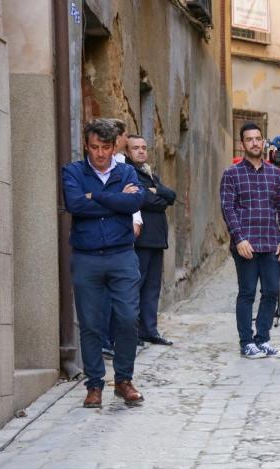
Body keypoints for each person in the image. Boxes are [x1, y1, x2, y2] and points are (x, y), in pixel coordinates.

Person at [62, 118, 145, 408]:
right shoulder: (72, 171)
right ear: (87, 145)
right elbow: (75, 205)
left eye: (105, 148)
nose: (99, 153)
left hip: (122, 255)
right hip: (86, 257)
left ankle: (123, 380)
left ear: (114, 147)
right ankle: (94, 384)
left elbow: (134, 204)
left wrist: (95, 197)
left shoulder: (126, 172)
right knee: (90, 323)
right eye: (94, 147)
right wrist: (114, 199)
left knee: (127, 317)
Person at [219, 122, 280, 360]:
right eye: (249, 139)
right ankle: (246, 342)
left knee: (271, 291)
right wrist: (238, 238)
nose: (254, 143)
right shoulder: (232, 174)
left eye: (258, 139)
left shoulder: (275, 174)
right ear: (243, 144)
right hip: (246, 245)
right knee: (247, 292)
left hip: (271, 243)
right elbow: (228, 209)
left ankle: (263, 339)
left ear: (263, 142)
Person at [127, 134, 176, 346]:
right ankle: (134, 332)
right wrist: (160, 197)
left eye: (144, 147)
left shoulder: (149, 173)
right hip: (141, 239)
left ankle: (149, 330)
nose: (141, 151)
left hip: (156, 238)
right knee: (136, 286)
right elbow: (146, 199)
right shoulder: (129, 173)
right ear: (127, 152)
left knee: (152, 287)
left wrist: (160, 192)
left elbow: (171, 196)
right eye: (135, 148)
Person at [100, 118, 142, 357]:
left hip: (123, 239)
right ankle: (106, 340)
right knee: (105, 296)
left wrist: (134, 217)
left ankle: (120, 340)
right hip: (100, 243)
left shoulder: (125, 167)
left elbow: (135, 198)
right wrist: (117, 199)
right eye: (125, 137)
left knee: (124, 297)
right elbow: (84, 201)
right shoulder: (92, 169)